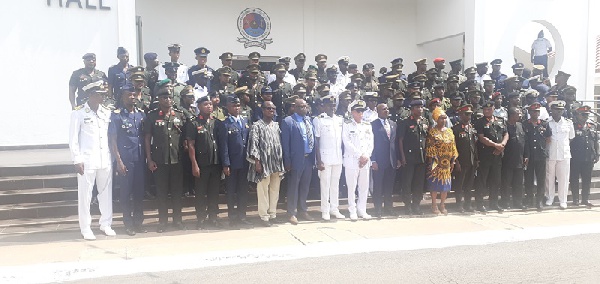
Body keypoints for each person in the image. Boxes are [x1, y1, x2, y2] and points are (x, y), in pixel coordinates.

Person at [68, 80, 114, 240]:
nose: (102, 97)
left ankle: (106, 223)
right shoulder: (79, 113)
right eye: (99, 95)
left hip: (104, 159)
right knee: (85, 195)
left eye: (103, 94)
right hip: (87, 160)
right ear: (90, 95)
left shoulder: (106, 112)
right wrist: (76, 159)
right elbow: (73, 139)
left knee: (106, 193)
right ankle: (86, 227)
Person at [144, 80, 188, 232]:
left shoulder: (180, 115)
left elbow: (186, 137)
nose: (167, 100)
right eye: (164, 98)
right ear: (159, 100)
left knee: (177, 193)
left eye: (169, 98)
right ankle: (162, 222)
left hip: (177, 160)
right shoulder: (152, 116)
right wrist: (149, 159)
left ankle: (178, 220)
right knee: (162, 193)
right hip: (160, 160)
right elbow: (147, 138)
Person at [108, 83, 146, 236]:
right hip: (125, 160)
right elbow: (113, 141)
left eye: (134, 94)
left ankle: (138, 223)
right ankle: (128, 224)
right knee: (125, 194)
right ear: (122, 97)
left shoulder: (141, 114)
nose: (132, 96)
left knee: (139, 193)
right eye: (128, 94)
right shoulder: (117, 115)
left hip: (139, 160)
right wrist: (118, 161)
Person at [187, 96, 223, 229]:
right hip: (202, 164)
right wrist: (194, 164)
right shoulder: (194, 123)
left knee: (214, 192)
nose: (209, 106)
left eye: (210, 104)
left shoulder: (217, 123)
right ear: (199, 107)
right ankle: (201, 218)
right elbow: (191, 145)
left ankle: (213, 217)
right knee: (201, 192)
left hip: (215, 163)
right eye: (205, 104)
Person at [247, 101, 285, 227]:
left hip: (276, 162)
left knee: (275, 189)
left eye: (273, 108)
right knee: (263, 190)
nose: (271, 110)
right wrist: (257, 162)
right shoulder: (256, 126)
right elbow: (254, 145)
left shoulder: (276, 125)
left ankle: (272, 213)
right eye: (268, 108)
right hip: (263, 163)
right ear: (263, 110)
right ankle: (264, 216)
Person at [218, 96, 252, 226]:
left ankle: (242, 216)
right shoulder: (224, 123)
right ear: (228, 107)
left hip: (244, 162)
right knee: (231, 191)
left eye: (238, 106)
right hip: (232, 163)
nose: (237, 108)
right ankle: (232, 217)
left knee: (243, 190)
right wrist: (226, 163)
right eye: (234, 106)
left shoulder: (245, 121)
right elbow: (224, 145)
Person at [281, 99, 316, 224]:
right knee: (293, 186)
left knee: (305, 186)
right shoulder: (288, 121)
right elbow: (285, 144)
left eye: (305, 106)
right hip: (295, 160)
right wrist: (287, 161)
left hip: (308, 159)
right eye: (300, 107)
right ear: (294, 108)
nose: (303, 109)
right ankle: (292, 212)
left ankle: (303, 210)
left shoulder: (309, 120)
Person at [313, 95, 345, 221]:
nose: (332, 107)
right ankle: (325, 210)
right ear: (324, 106)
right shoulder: (319, 120)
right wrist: (319, 160)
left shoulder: (340, 119)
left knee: (335, 185)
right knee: (325, 185)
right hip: (325, 158)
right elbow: (317, 141)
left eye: (333, 105)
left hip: (337, 157)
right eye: (329, 105)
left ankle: (334, 209)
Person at [474, 101, 508, 212]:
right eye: (485, 110)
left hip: (498, 156)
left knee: (496, 180)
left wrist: (502, 145)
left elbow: (506, 133)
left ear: (493, 109)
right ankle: (480, 204)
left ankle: (494, 203)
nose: (486, 111)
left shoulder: (500, 120)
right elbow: (481, 137)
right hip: (485, 155)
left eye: (489, 109)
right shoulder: (479, 122)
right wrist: (496, 145)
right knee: (482, 180)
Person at [342, 100, 374, 221]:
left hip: (365, 160)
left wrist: (366, 156)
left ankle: (362, 210)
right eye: (358, 111)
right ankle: (352, 210)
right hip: (352, 160)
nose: (361, 113)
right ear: (352, 112)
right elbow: (347, 142)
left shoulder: (367, 125)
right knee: (352, 187)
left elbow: (371, 143)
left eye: (362, 111)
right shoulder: (347, 125)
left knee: (364, 186)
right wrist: (359, 155)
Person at [397, 99, 429, 215]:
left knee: (419, 183)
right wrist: (402, 157)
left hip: (421, 157)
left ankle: (416, 205)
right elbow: (400, 141)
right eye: (417, 107)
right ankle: (407, 206)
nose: (420, 109)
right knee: (407, 182)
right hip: (409, 157)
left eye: (421, 107)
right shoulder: (405, 123)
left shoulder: (424, 122)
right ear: (412, 109)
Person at [425, 107, 458, 215]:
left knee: (446, 185)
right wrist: (432, 162)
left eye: (444, 118)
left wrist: (453, 160)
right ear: (435, 119)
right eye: (440, 118)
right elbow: (430, 147)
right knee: (435, 184)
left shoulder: (449, 131)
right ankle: (434, 204)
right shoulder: (432, 132)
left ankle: (442, 204)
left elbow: (453, 146)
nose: (443, 120)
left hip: (447, 163)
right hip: (436, 163)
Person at [371, 103, 398, 218]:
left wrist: (398, 159)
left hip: (391, 160)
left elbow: (395, 143)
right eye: (383, 109)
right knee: (378, 187)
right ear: (377, 111)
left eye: (387, 109)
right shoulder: (373, 125)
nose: (386, 111)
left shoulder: (393, 124)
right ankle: (378, 209)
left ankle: (388, 208)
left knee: (389, 186)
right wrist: (373, 160)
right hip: (379, 160)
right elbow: (370, 144)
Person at [523, 102, 552, 211]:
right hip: (529, 156)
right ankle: (529, 199)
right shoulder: (525, 124)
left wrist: (543, 148)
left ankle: (539, 200)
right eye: (534, 111)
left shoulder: (544, 124)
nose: (536, 113)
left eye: (537, 111)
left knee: (541, 179)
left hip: (541, 155)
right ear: (529, 112)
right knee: (528, 179)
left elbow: (548, 138)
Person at [546, 101, 574, 209]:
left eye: (561, 110)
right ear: (551, 110)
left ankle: (563, 200)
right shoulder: (547, 122)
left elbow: (571, 137)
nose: (558, 112)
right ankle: (550, 198)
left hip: (564, 154)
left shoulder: (568, 123)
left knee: (564, 178)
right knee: (549, 178)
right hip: (551, 153)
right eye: (556, 109)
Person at [569, 105, 598, 207]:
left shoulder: (592, 126)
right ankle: (575, 199)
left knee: (587, 179)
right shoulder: (573, 126)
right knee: (574, 179)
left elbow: (595, 141)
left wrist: (597, 154)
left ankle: (585, 199)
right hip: (576, 157)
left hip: (588, 157)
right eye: (583, 115)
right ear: (578, 115)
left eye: (586, 115)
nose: (585, 117)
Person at [452, 104, 478, 212]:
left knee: (469, 184)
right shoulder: (456, 129)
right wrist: (456, 161)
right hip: (461, 161)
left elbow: (474, 145)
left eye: (470, 114)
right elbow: (453, 147)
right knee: (460, 185)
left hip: (472, 160)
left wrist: (477, 159)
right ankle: (459, 205)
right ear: (461, 115)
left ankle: (468, 204)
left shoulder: (472, 128)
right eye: (467, 114)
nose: (469, 116)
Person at [500, 107, 527, 210]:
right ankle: (505, 202)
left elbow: (525, 141)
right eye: (517, 114)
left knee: (518, 183)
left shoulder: (520, 126)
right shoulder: (505, 126)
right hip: (507, 159)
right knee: (506, 183)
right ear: (511, 115)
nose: (520, 115)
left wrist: (526, 155)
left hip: (519, 159)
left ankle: (518, 202)